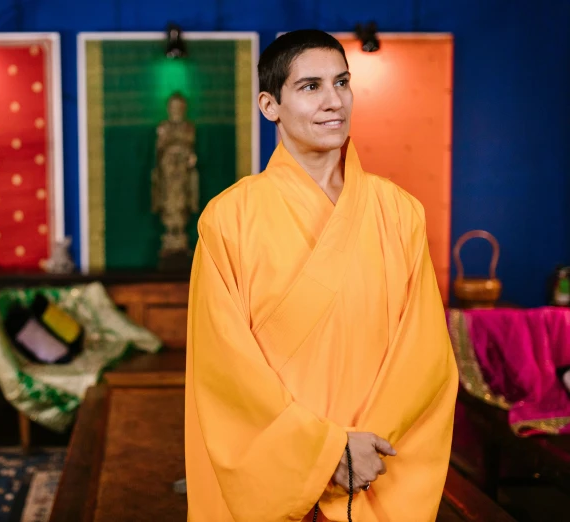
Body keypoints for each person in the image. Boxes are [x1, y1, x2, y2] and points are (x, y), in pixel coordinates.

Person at [184, 29, 458, 521]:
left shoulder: (399, 212)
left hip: (377, 460)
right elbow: (222, 370)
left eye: (342, 82)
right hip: (276, 469)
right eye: (310, 86)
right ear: (271, 105)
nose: (334, 101)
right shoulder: (228, 219)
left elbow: (425, 352)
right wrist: (325, 451)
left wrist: (361, 450)